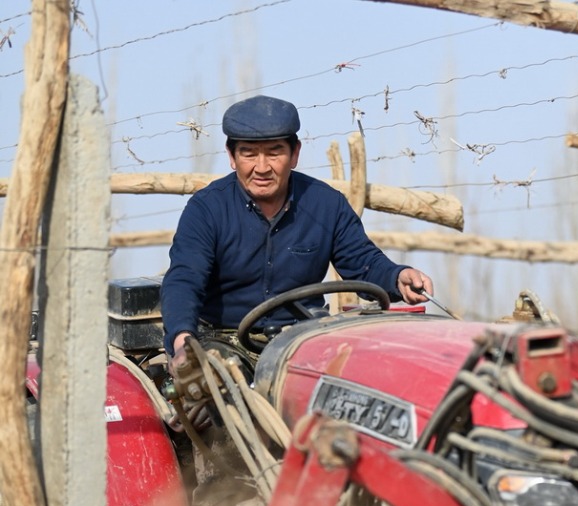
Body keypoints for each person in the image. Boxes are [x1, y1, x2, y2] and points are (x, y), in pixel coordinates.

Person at [160, 94, 434, 372]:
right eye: (249, 153)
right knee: (215, 397)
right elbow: (184, 280)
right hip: (225, 341)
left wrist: (397, 277)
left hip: (303, 340)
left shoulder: (327, 204)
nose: (262, 167)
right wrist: (183, 341)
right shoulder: (206, 209)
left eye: (275, 152)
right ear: (232, 156)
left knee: (363, 378)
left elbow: (362, 260)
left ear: (295, 154)